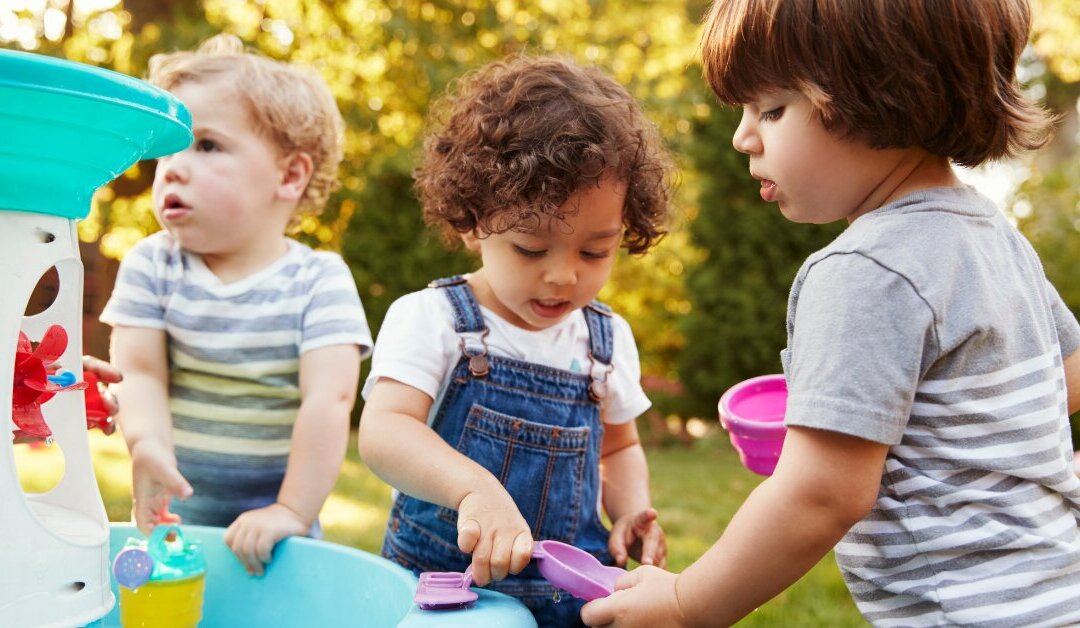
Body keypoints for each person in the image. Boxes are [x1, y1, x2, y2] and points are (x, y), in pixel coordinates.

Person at [582, 1, 1080, 626]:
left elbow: (820, 496)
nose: (743, 136)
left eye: (771, 109)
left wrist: (686, 604)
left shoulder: (863, 269)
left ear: (880, 95)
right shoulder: (990, 233)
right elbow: (1061, 379)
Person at [358, 55, 673, 625]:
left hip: (567, 600)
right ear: (474, 221)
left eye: (595, 251)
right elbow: (384, 431)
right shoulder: (431, 318)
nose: (563, 275)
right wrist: (472, 489)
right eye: (531, 249)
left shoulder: (606, 339)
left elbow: (619, 447)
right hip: (448, 596)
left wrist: (629, 512)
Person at [101, 34, 371, 577]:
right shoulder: (153, 265)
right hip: (176, 520)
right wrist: (147, 444)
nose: (173, 168)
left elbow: (329, 398)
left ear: (289, 175)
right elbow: (141, 374)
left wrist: (291, 510)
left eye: (205, 146)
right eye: (167, 150)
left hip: (278, 537)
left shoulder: (318, 279)